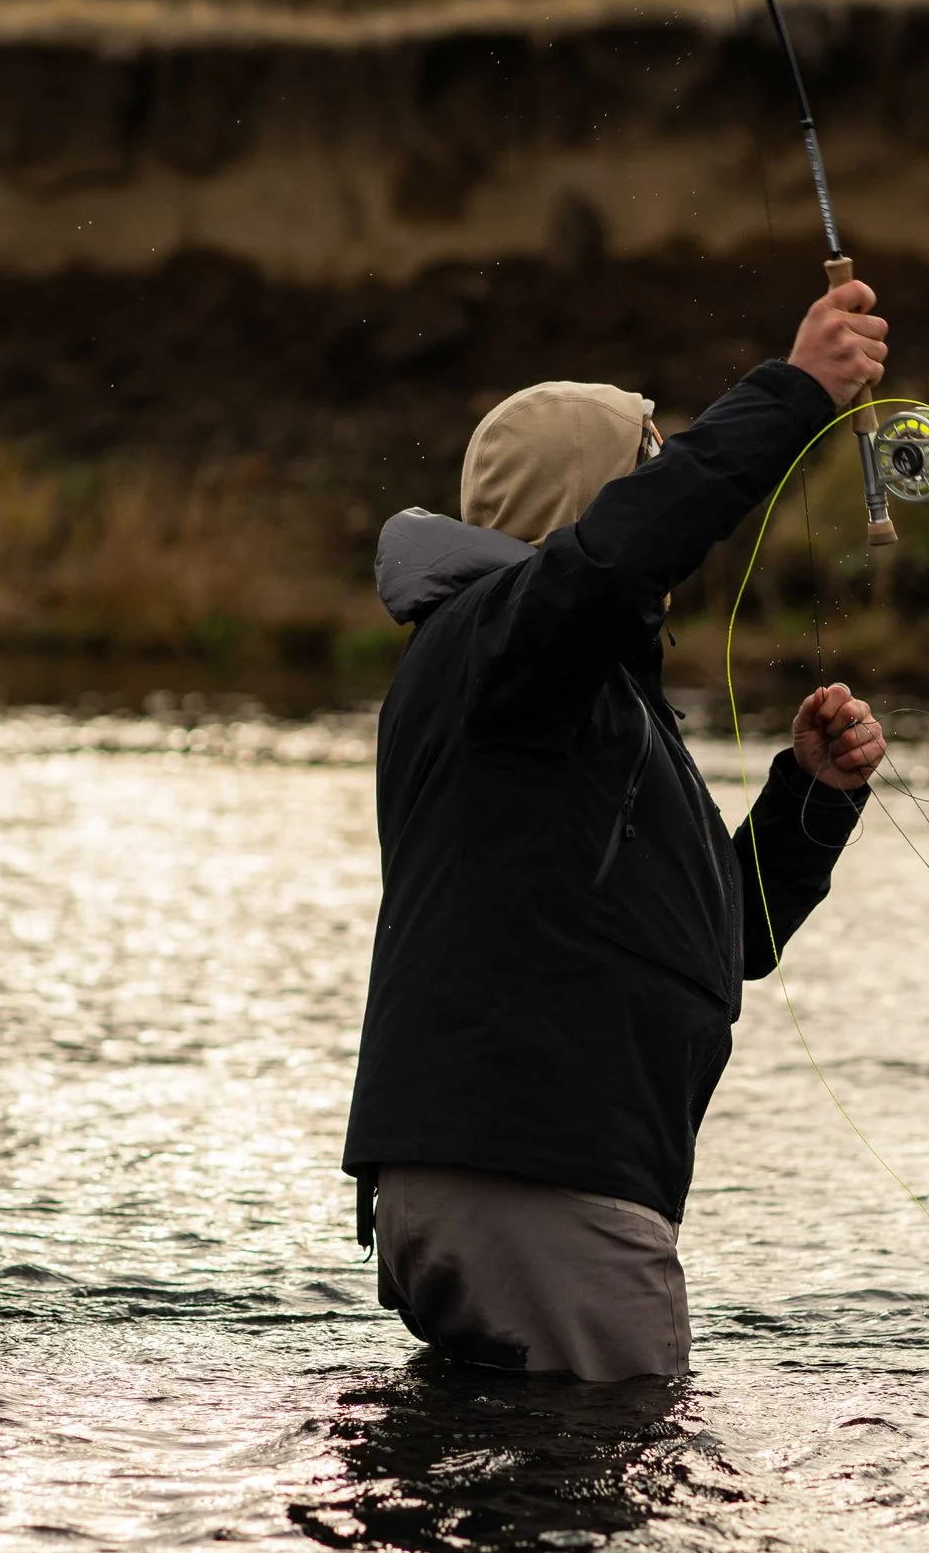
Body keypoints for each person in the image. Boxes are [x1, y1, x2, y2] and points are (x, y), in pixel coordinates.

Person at [340, 278, 892, 1387]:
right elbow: (620, 553)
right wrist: (796, 391)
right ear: (585, 507)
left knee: (514, 1476)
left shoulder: (566, 694)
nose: (664, 487)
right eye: (645, 469)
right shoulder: (496, 641)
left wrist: (812, 795)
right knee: (623, 1456)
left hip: (525, 1174)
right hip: (538, 1178)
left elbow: (721, 942)